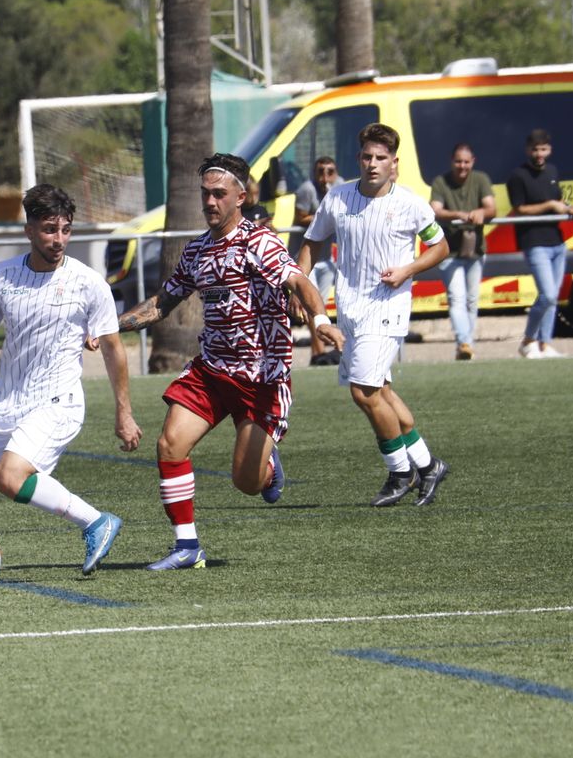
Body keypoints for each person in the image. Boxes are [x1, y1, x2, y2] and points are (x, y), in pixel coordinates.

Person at [120, 153, 343, 568]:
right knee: (170, 443)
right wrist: (113, 325)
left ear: (241, 196)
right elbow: (163, 302)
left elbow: (298, 280)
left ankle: (267, 464)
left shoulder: (258, 242)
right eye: (205, 193)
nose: (210, 202)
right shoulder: (197, 251)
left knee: (245, 482)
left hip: (262, 377)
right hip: (213, 370)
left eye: (219, 194)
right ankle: (187, 547)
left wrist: (320, 319)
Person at [0, 184, 141, 577]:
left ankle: (96, 522)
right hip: (4, 402)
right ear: (28, 230)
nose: (59, 240)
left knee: (11, 477)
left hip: (56, 402)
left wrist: (123, 413)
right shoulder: (1, 276)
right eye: (49, 229)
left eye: (65, 229)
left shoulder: (88, 282)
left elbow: (112, 348)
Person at [299, 123, 451, 508]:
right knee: (380, 391)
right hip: (349, 309)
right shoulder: (337, 198)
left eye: (381, 158)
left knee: (363, 392)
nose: (373, 163)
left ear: (394, 163)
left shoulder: (411, 203)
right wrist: (298, 284)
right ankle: (428, 464)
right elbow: (312, 242)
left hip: (387, 307)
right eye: (367, 156)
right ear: (359, 158)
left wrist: (407, 271)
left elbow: (441, 246)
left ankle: (400, 472)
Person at [508, 129, 573, 359]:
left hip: (557, 242)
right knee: (547, 295)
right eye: (535, 149)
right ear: (528, 150)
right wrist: (550, 205)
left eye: (544, 149)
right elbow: (520, 209)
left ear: (550, 150)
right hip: (534, 242)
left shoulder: (553, 171)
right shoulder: (518, 176)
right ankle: (528, 341)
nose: (539, 154)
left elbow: (558, 201)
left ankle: (545, 345)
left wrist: (570, 208)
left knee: (552, 297)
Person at [429, 143, 496, 360]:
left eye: (466, 162)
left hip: (475, 249)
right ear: (452, 162)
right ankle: (464, 342)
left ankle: (466, 345)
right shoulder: (441, 182)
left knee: (472, 300)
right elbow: (434, 209)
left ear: (473, 161)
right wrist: (458, 214)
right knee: (457, 298)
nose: (462, 166)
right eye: (458, 161)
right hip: (448, 252)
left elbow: (492, 208)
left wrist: (480, 212)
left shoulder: (481, 179)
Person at [294, 156, 343, 366]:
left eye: (329, 171)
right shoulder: (307, 189)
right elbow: (300, 217)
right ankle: (319, 352)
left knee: (319, 306)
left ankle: (318, 353)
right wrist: (324, 217)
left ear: (335, 172)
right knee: (312, 306)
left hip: (327, 257)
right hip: (306, 255)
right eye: (320, 172)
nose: (325, 177)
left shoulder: (340, 186)